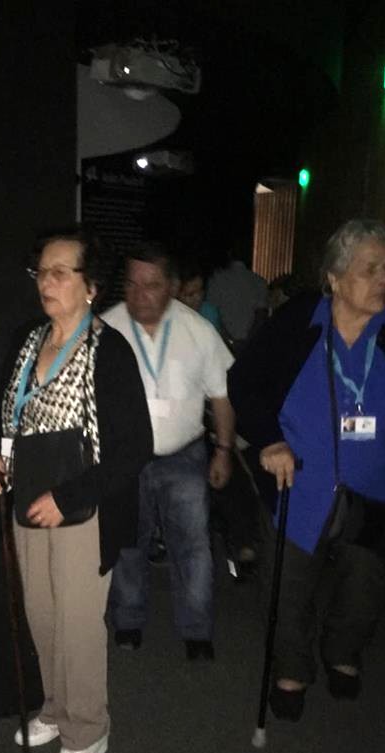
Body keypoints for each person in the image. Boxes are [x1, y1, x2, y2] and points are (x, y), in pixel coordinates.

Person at [228, 219, 385, 721]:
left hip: (374, 488)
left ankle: (342, 651)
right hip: (298, 484)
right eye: (369, 269)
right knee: (287, 589)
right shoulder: (298, 321)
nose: (384, 279)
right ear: (334, 277)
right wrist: (269, 439)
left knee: (363, 590)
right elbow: (244, 382)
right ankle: (291, 669)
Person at [0, 225, 152, 753]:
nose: (45, 282)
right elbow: (4, 410)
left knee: (76, 624)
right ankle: (55, 708)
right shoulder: (28, 341)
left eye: (59, 272)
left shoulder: (109, 351)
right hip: (28, 497)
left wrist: (68, 496)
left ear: (90, 285)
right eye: (40, 272)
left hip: (84, 509)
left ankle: (88, 730)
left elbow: (135, 448)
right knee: (43, 614)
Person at [103, 241, 235, 661]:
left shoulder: (198, 330)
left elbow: (221, 398)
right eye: (132, 284)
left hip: (185, 456)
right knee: (128, 544)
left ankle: (196, 629)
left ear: (172, 286)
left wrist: (224, 450)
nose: (140, 294)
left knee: (192, 546)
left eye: (152, 285)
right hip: (126, 459)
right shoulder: (105, 329)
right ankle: (128, 620)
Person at [206, 249, 269, 351]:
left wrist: (230, 341)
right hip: (249, 345)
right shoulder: (259, 281)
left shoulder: (216, 279)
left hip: (222, 344)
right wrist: (248, 341)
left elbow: (212, 314)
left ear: (229, 255)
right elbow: (261, 315)